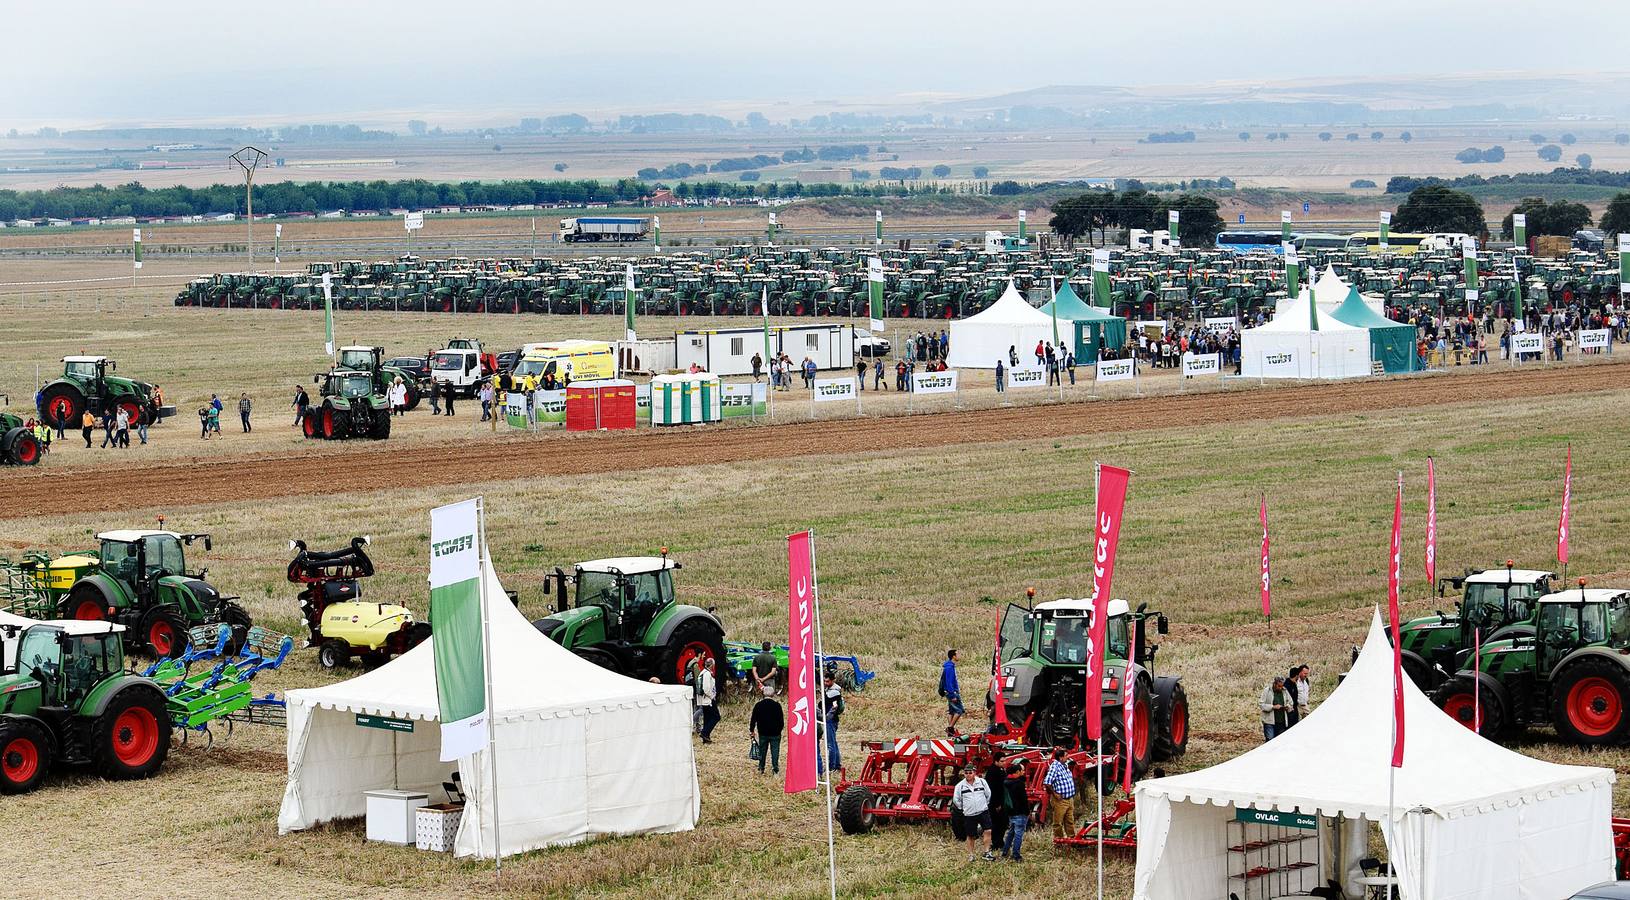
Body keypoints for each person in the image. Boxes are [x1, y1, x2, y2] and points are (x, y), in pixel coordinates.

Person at [952, 764, 995, 862]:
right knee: (971, 835)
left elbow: (988, 795)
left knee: (988, 830)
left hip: (983, 811)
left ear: (974, 773)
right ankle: (971, 855)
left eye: (970, 773)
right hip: (969, 814)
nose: (968, 775)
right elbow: (956, 800)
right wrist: (964, 808)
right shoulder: (960, 786)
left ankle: (986, 852)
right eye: (966, 773)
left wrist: (984, 805)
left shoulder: (982, 782)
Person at [749, 685, 784, 776]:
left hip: (763, 732)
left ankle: (761, 767)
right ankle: (775, 769)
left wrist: (752, 730)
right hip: (775, 733)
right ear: (773, 694)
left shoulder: (758, 705)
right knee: (775, 751)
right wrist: (779, 730)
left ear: (763, 694)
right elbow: (781, 721)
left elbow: (753, 719)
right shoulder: (777, 706)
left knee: (762, 751)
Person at [1043, 745, 1077, 840]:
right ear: (1061, 757)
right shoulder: (1055, 767)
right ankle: (1059, 841)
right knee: (1058, 822)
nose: (1068, 757)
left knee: (1070, 821)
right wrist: (1055, 794)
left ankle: (1071, 839)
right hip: (1060, 800)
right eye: (1066, 755)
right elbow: (1047, 782)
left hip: (1069, 799)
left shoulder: (1065, 765)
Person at [1000, 757, 1030, 861]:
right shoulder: (1018, 784)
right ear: (1017, 772)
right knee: (1018, 834)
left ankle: (1004, 851)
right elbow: (1023, 799)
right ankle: (1016, 855)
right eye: (1022, 771)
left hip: (1011, 812)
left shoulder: (1006, 782)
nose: (1023, 772)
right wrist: (1027, 812)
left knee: (1011, 832)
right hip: (1020, 812)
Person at [984, 749, 1009, 859]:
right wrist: (997, 804)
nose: (1004, 763)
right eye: (1002, 761)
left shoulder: (1001, 770)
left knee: (1003, 823)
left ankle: (1000, 841)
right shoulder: (993, 772)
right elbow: (993, 790)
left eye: (1005, 761)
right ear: (996, 761)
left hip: (1001, 802)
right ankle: (996, 842)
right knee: (997, 823)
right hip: (995, 803)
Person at [818, 671, 844, 775]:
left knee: (830, 745)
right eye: (824, 681)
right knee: (834, 743)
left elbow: (822, 703)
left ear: (833, 680)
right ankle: (837, 765)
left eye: (827, 681)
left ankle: (831, 766)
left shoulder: (834, 692)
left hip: (830, 720)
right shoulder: (833, 689)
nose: (825, 683)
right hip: (832, 720)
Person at [940, 648, 963, 736]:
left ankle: (950, 732)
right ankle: (950, 728)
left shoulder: (949, 666)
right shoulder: (949, 668)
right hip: (952, 692)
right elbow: (949, 682)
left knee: (951, 711)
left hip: (949, 692)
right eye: (958, 654)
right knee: (959, 710)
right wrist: (953, 694)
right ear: (953, 656)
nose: (959, 655)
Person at [697, 657, 719, 744]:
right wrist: (712, 696)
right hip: (708, 699)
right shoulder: (707, 674)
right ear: (712, 665)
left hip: (705, 699)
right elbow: (706, 688)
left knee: (707, 718)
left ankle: (706, 739)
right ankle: (705, 732)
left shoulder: (703, 672)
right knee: (716, 716)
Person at [1260, 675, 1289, 741]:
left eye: (1282, 686)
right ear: (1274, 684)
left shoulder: (1285, 691)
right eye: (1279, 686)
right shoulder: (1267, 691)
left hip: (1281, 721)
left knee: (1279, 742)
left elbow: (1290, 702)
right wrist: (1273, 707)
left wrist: (1288, 707)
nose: (1280, 688)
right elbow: (1261, 705)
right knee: (1270, 740)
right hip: (1269, 721)